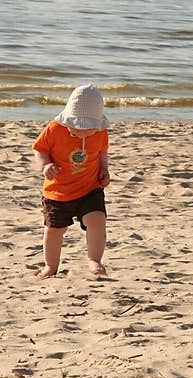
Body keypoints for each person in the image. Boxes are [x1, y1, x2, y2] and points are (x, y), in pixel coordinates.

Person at [31, 84, 111, 278]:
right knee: (54, 230)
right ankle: (51, 266)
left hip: (90, 188)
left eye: (88, 129)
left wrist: (104, 170)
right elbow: (39, 149)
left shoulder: (100, 132)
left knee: (97, 220)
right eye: (76, 128)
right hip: (57, 191)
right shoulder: (54, 129)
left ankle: (95, 260)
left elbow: (102, 153)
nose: (82, 133)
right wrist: (45, 166)